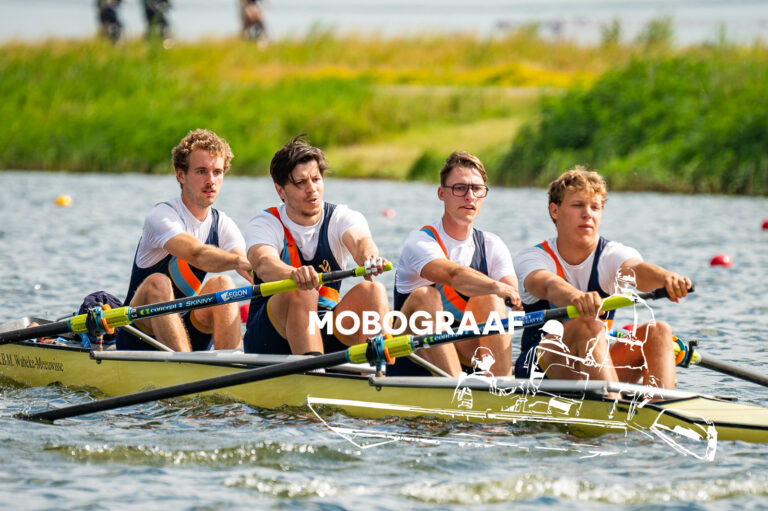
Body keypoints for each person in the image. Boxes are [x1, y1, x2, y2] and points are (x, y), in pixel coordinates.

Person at [514, 167, 691, 389]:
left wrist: (667, 278)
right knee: (588, 325)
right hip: (538, 369)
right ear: (555, 211)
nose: (587, 213)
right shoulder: (533, 257)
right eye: (577, 205)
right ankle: (611, 402)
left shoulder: (611, 255)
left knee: (658, 331)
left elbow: (637, 271)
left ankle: (659, 405)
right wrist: (576, 297)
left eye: (595, 207)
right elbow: (548, 284)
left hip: (593, 366)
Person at [243, 136, 389, 355]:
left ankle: (374, 369)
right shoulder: (265, 222)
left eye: (316, 179)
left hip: (323, 327)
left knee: (373, 291)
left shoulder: (341, 217)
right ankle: (314, 370)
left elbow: (361, 242)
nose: (312, 189)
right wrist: (293, 274)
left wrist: (369, 257)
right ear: (281, 191)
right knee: (303, 290)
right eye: (300, 183)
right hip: (271, 335)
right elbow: (264, 263)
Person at [115, 129, 251, 352]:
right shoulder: (162, 216)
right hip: (140, 336)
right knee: (158, 282)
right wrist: (237, 261)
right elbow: (197, 255)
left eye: (217, 172)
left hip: (189, 333)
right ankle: (184, 364)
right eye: (201, 171)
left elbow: (250, 269)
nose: (211, 180)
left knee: (224, 285)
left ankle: (232, 363)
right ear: (181, 175)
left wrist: (289, 278)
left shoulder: (223, 224)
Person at [392, 151, 522, 377]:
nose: (469, 196)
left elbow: (510, 294)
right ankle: (454, 387)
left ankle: (501, 387)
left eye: (477, 189)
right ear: (442, 193)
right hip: (411, 362)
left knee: (491, 300)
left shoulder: (493, 245)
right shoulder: (420, 241)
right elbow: (454, 275)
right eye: (460, 188)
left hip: (466, 357)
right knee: (426, 296)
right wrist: (494, 286)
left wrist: (506, 295)